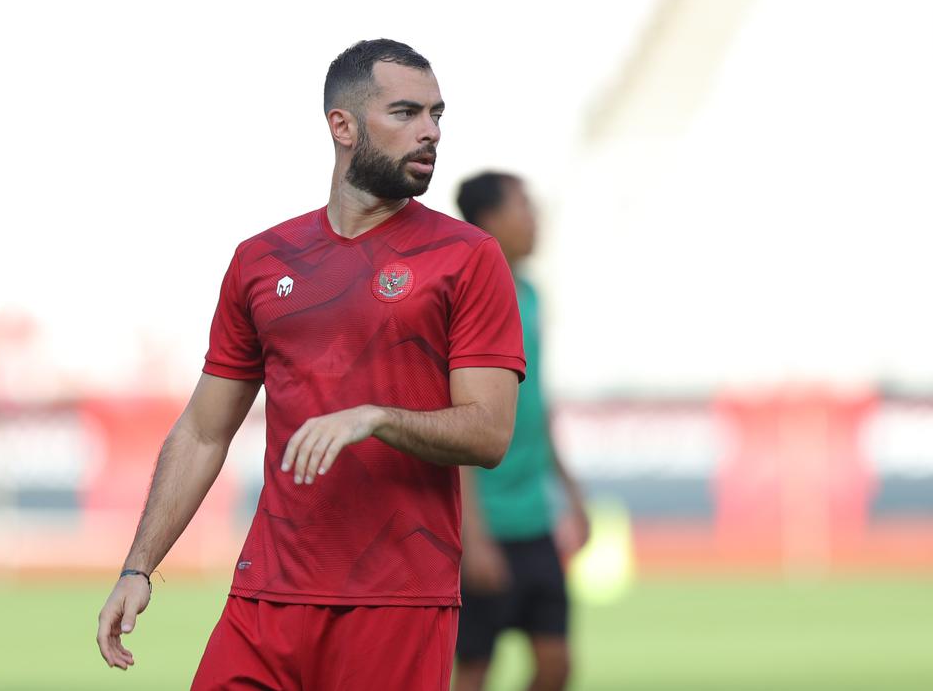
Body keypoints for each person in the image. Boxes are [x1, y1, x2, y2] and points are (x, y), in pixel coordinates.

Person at [95, 39, 526, 690]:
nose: (430, 131)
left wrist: (376, 417)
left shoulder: (466, 257)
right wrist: (137, 566)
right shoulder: (260, 260)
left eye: (437, 114)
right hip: (266, 598)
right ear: (342, 126)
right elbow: (204, 430)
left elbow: (489, 433)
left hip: (397, 602)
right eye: (406, 112)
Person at [453, 172, 591, 691]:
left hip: (534, 517)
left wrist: (571, 492)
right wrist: (475, 535)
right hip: (487, 522)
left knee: (556, 664)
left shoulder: (531, 294)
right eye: (524, 207)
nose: (536, 219)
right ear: (489, 220)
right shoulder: (469, 294)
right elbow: (460, 417)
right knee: (474, 669)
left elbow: (538, 404)